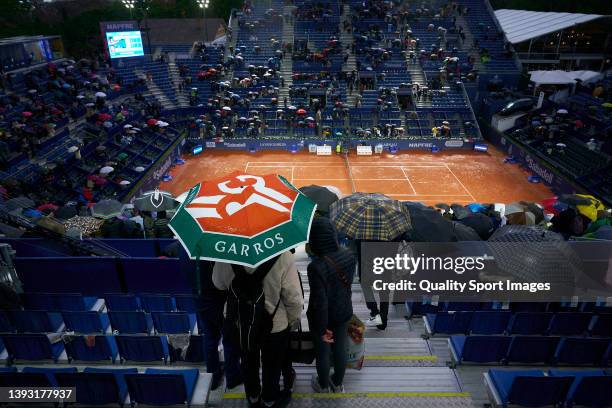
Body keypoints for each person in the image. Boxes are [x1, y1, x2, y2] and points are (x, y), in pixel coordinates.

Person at [213, 252, 303, 407]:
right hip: (274, 323)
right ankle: (269, 399)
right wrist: (293, 319)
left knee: (248, 361)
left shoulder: (226, 252)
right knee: (272, 364)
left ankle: (253, 396)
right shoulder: (283, 255)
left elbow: (218, 283)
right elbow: (293, 297)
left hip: (240, 320)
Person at [306, 217, 355, 393]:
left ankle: (323, 384)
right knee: (341, 346)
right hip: (343, 310)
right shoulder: (349, 255)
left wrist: (321, 328)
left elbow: (320, 302)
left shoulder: (316, 267)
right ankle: (338, 382)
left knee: (323, 350)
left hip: (324, 316)